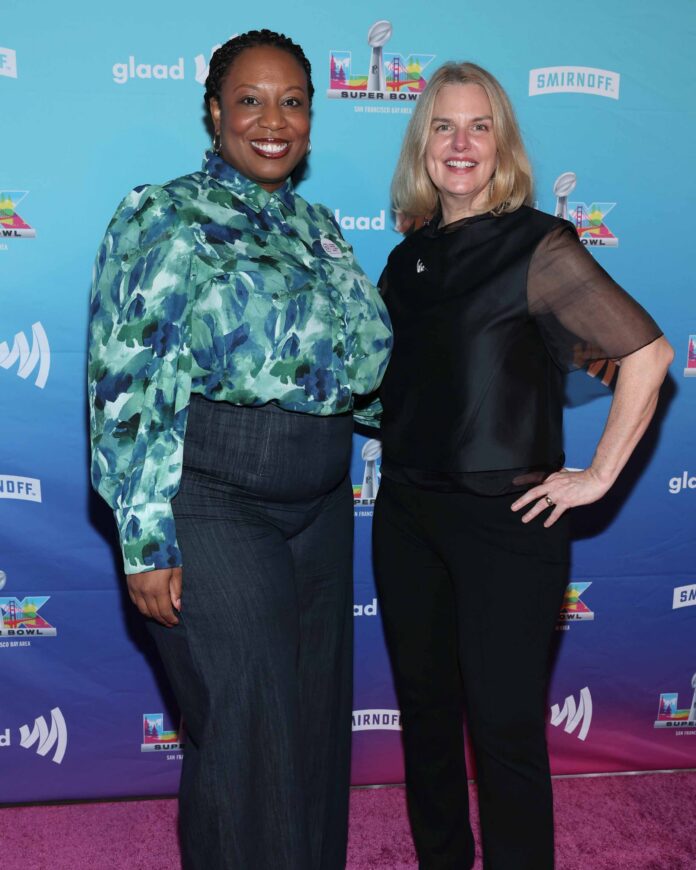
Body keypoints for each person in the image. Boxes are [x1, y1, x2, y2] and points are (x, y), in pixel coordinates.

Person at [88, 29, 391, 870]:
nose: (272, 120)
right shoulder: (164, 213)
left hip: (324, 504)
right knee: (246, 734)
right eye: (250, 100)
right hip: (215, 494)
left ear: (310, 118)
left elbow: (364, 372)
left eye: (292, 101)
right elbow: (128, 379)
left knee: (315, 727)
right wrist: (145, 538)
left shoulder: (323, 229)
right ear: (214, 111)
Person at [369, 61, 672, 870]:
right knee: (426, 719)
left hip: (507, 527)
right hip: (404, 518)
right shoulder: (407, 260)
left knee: (502, 731)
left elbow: (646, 354)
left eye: (479, 126)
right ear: (422, 144)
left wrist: (598, 475)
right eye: (442, 126)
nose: (459, 143)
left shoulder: (539, 245)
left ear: (502, 145)